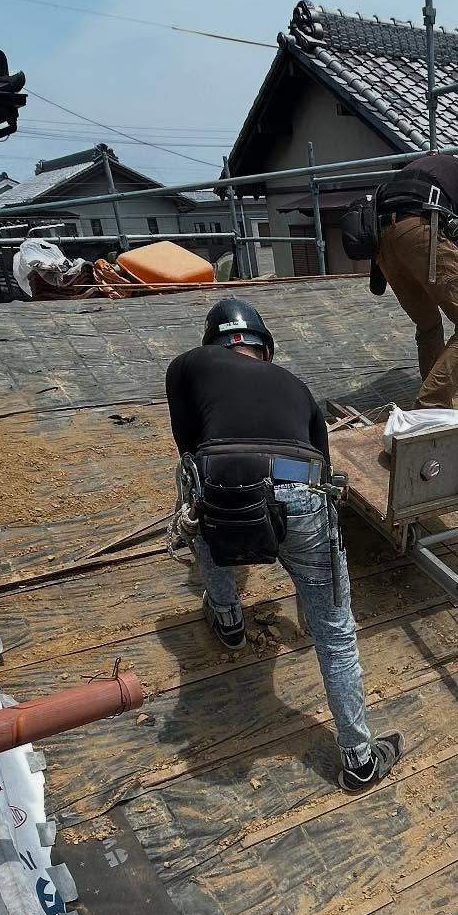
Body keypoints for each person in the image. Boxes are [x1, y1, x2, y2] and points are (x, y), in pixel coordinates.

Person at [164, 297, 403, 793]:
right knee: (335, 634)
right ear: (265, 349)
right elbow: (322, 464)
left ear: (214, 342)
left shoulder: (188, 364)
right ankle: (359, 759)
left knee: (201, 498)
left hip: (226, 480)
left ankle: (228, 619)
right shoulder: (297, 386)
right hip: (304, 490)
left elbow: (189, 448)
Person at [367, 154, 458, 409]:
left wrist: (378, 279)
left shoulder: (438, 170)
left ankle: (432, 401)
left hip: (382, 241)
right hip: (421, 227)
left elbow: (393, 210)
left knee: (429, 325)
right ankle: (431, 405)